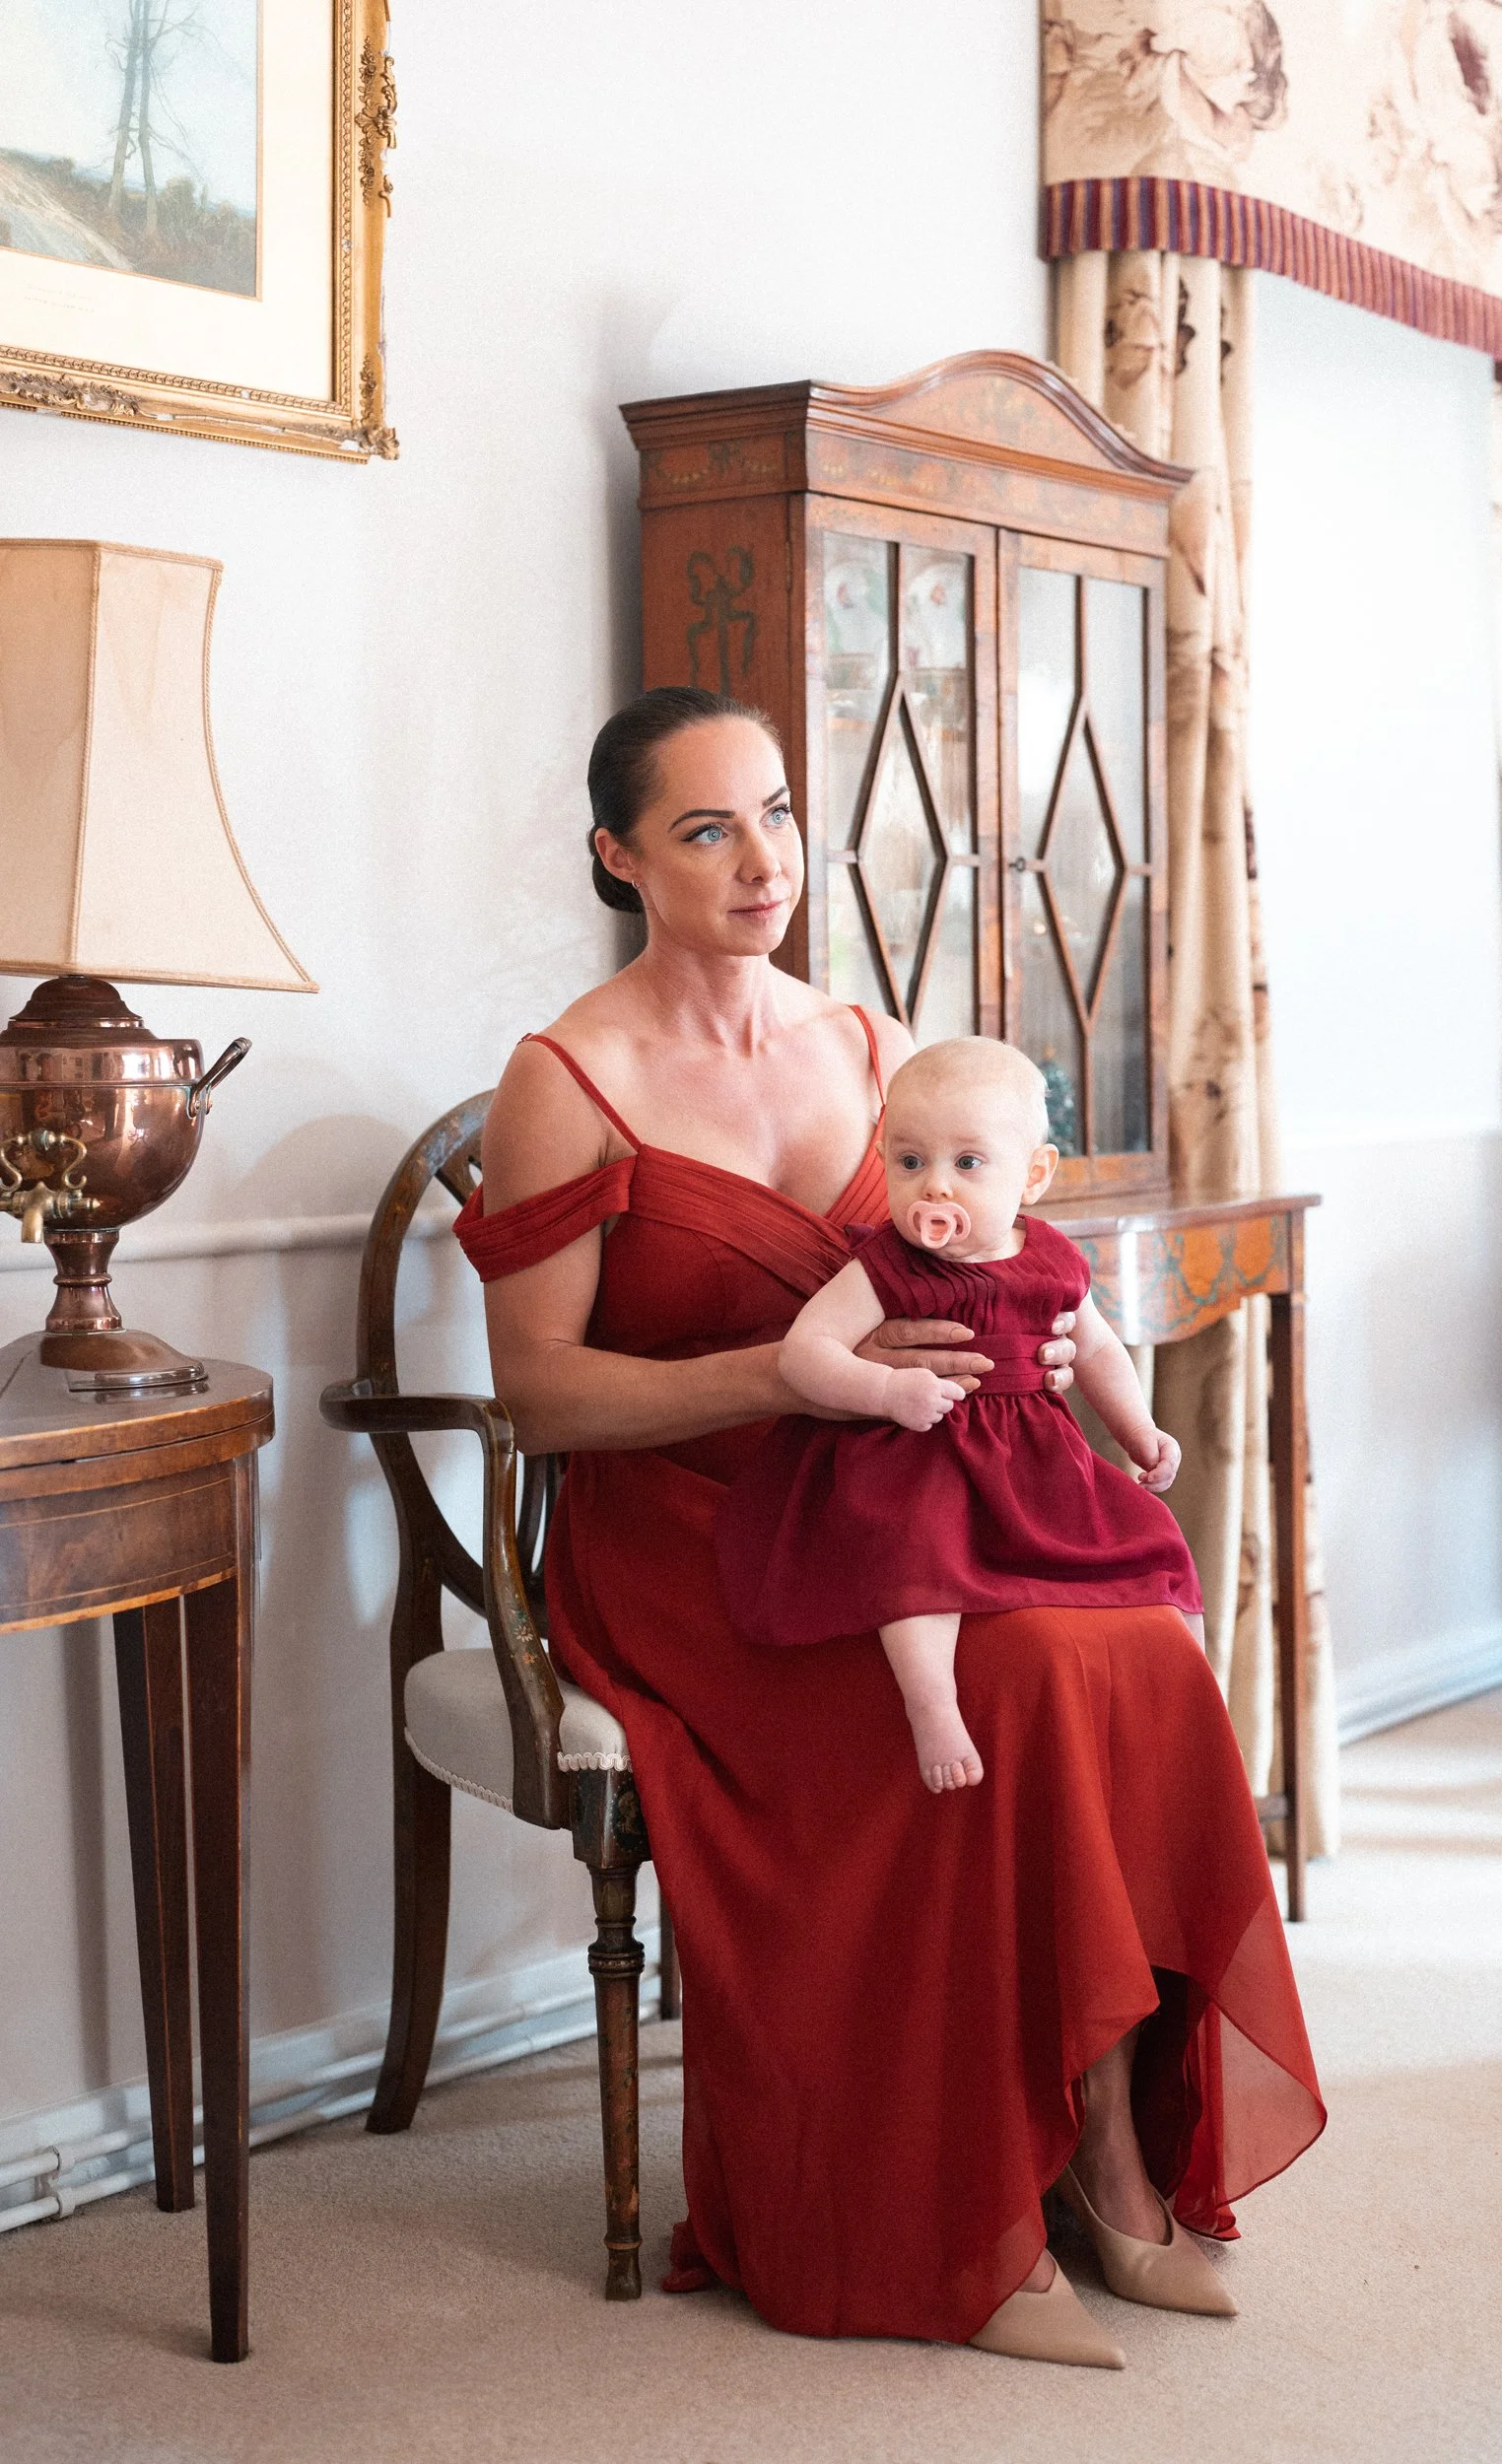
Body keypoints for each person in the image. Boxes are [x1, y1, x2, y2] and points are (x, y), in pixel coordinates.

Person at [456, 685, 1325, 2369]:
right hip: (693, 1550)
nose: (760, 857)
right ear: (617, 856)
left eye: (776, 810)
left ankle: (1104, 2163)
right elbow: (544, 1399)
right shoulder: (564, 1080)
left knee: (1131, 1651)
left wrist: (1051, 1354)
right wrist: (790, 1385)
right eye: (705, 827)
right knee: (1001, 1691)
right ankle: (966, 2221)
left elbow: (972, 1253)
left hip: (906, 1509)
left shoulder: (863, 1045)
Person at [717, 1034, 1202, 1794]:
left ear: (1032, 1176)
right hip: (919, 1459)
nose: (933, 1189)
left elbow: (1099, 1352)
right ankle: (931, 1704)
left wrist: (1141, 1433)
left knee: (1155, 1545)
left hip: (1035, 1464)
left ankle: (1186, 1713)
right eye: (910, 1163)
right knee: (914, 1559)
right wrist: (883, 1392)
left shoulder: (1051, 1260)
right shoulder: (884, 1266)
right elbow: (803, 1351)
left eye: (966, 1164)